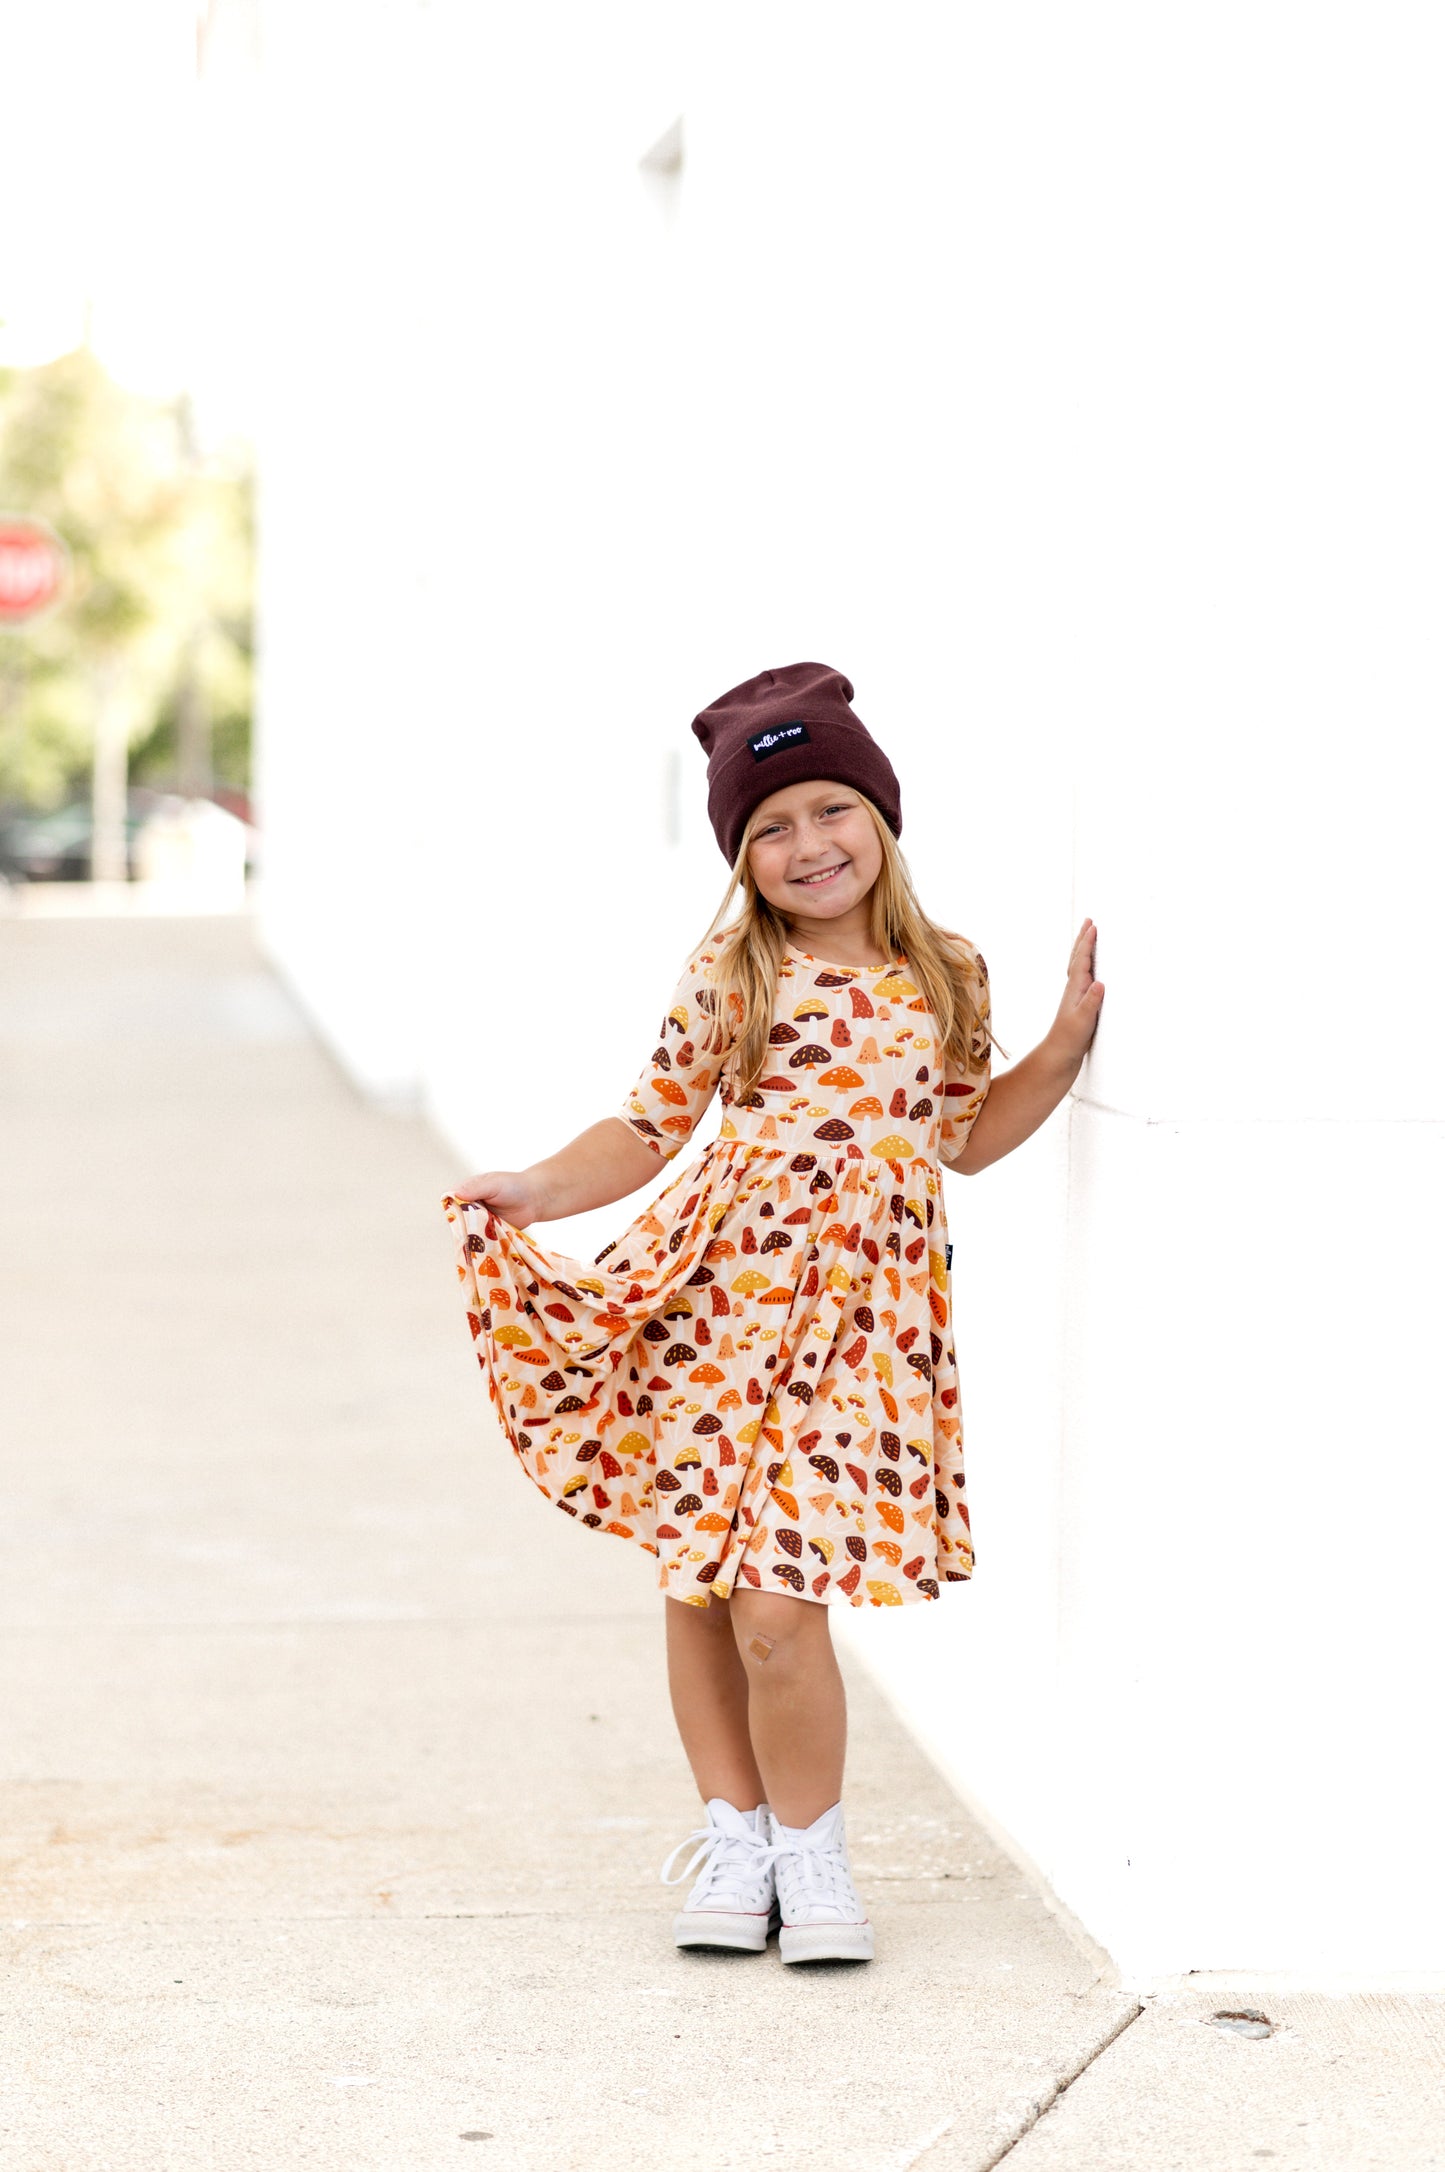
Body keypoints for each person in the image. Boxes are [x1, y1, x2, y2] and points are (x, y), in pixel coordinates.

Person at [443, 661, 1103, 1966]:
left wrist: (1061, 1052)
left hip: (864, 1330)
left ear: (880, 816)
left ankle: (813, 1853)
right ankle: (737, 1840)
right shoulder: (734, 972)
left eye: (827, 809)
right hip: (719, 1304)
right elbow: (645, 1126)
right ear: (740, 861)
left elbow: (961, 1140)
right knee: (700, 1588)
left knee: (778, 1609)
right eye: (770, 828)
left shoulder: (946, 974)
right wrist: (534, 1185)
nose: (808, 846)